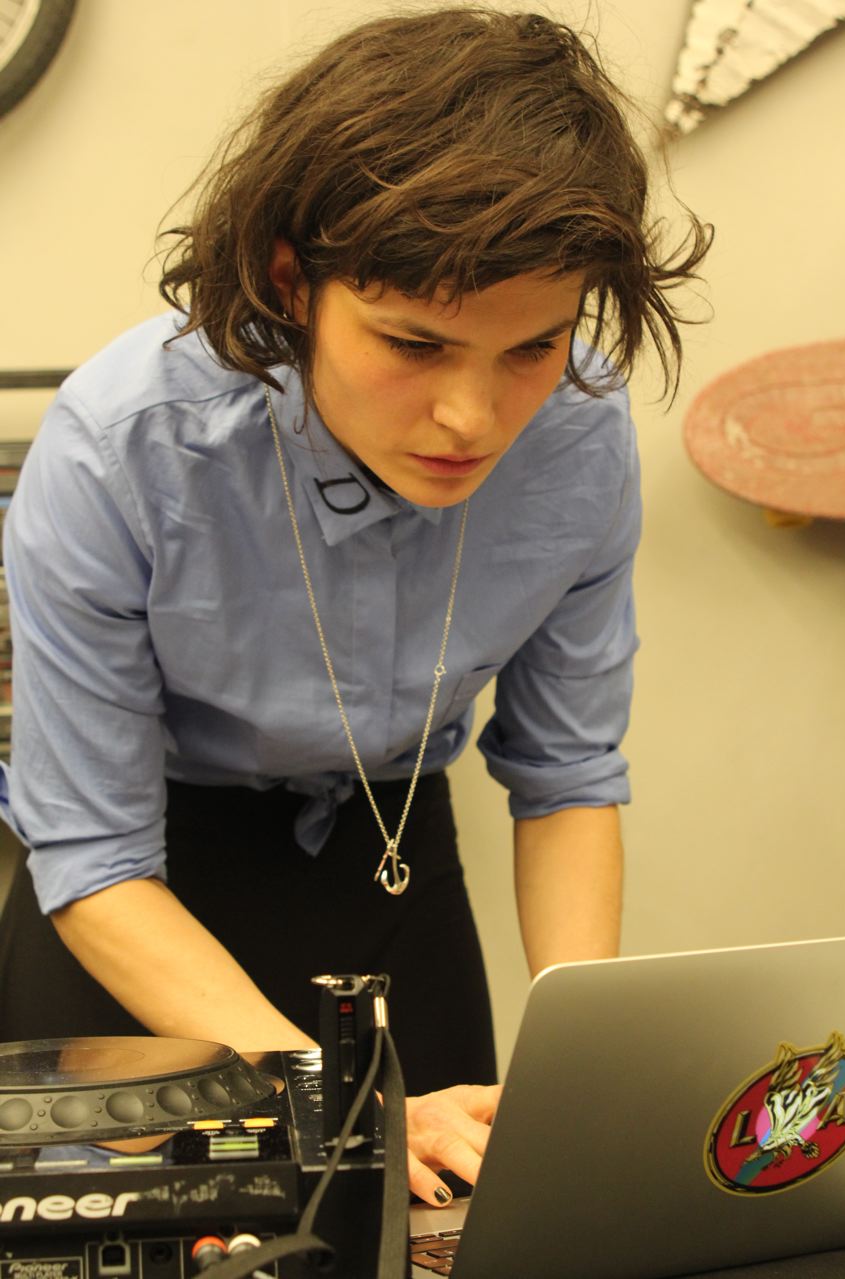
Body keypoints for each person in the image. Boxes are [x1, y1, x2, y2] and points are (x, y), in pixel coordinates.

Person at [0, 7, 709, 1206]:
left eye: (529, 349)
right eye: (413, 345)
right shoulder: (123, 450)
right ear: (292, 281)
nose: (471, 419)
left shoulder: (580, 438)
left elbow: (567, 777)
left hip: (392, 866)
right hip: (139, 906)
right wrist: (341, 1099)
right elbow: (95, 855)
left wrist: (574, 1067)